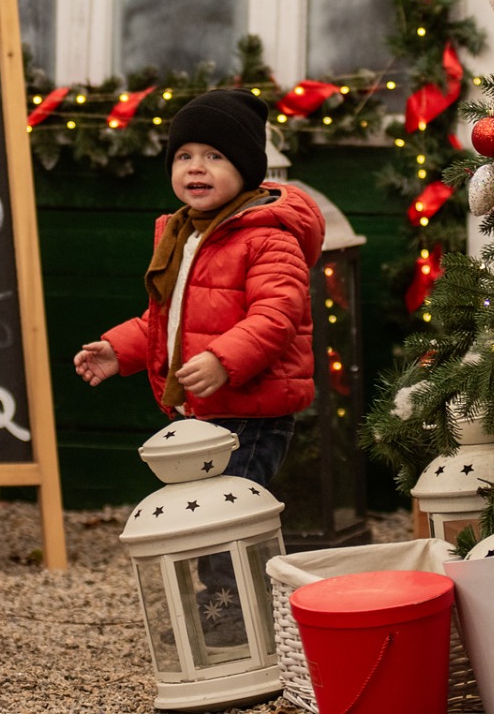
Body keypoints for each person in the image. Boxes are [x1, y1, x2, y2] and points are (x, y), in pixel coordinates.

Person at [73, 87, 323, 643]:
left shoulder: (268, 237)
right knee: (206, 512)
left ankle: (240, 619)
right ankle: (227, 613)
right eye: (184, 156)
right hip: (207, 409)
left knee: (227, 512)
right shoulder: (184, 235)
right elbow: (168, 320)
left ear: (247, 169)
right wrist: (120, 349)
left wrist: (223, 359)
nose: (196, 168)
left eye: (214, 156)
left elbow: (277, 316)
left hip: (251, 411)